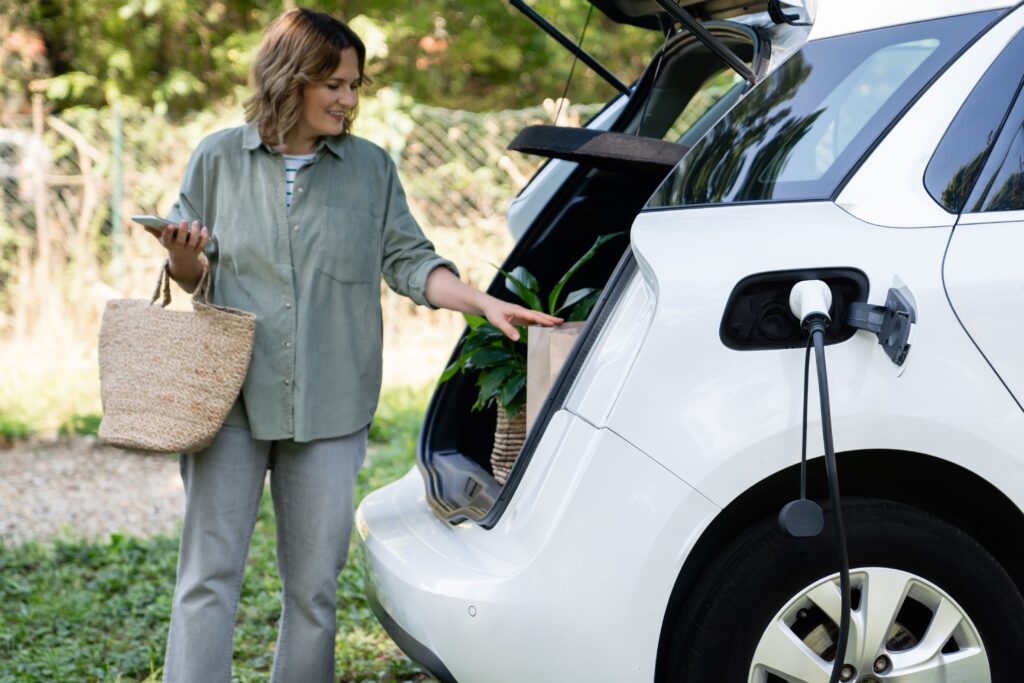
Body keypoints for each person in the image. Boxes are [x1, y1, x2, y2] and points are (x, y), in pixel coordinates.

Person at [147, 8, 561, 682]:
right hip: (229, 401)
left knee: (312, 589)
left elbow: (409, 260)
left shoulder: (369, 168)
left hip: (332, 404)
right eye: (334, 83)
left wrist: (480, 300)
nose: (347, 99)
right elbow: (193, 278)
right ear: (292, 78)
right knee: (206, 577)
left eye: (354, 86)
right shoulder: (217, 158)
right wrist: (183, 256)